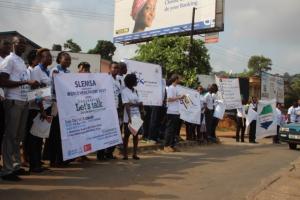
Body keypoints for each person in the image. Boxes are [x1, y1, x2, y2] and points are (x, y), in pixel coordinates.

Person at [0, 37, 39, 181]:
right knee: (10, 136)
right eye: (19, 43)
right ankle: (7, 169)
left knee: (18, 136)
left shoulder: (21, 61)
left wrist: (31, 86)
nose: (22, 45)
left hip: (23, 101)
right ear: (13, 45)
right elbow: (2, 80)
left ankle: (15, 166)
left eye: (24, 43)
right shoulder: (9, 60)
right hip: (13, 101)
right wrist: (26, 82)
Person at [27, 48, 52, 172]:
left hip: (46, 106)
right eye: (47, 56)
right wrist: (41, 109)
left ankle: (38, 163)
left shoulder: (47, 71)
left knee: (39, 137)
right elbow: (36, 92)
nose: (50, 58)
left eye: (50, 56)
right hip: (37, 108)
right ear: (41, 58)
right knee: (34, 138)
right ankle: (33, 165)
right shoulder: (36, 70)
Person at [48, 51, 71, 167]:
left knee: (63, 133)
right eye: (66, 59)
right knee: (55, 132)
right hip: (55, 104)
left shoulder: (68, 72)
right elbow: (57, 88)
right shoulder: (54, 70)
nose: (68, 61)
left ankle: (62, 158)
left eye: (69, 59)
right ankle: (53, 160)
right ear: (59, 59)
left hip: (65, 105)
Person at [97, 62, 121, 160]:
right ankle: (101, 154)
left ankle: (109, 153)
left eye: (117, 68)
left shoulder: (118, 80)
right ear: (109, 68)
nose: (116, 70)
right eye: (114, 68)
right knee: (105, 131)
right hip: (107, 109)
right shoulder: (105, 79)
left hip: (116, 108)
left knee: (115, 132)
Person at [22, 49, 40, 167]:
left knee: (34, 134)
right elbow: (32, 90)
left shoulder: (35, 71)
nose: (40, 60)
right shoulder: (28, 71)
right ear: (33, 60)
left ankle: (32, 157)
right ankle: (25, 158)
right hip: (29, 106)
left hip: (35, 106)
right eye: (39, 58)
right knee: (27, 134)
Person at [122, 73, 143, 160]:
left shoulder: (136, 91)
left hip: (137, 116)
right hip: (128, 117)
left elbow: (140, 103)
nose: (136, 81)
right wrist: (130, 117)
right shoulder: (124, 91)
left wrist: (133, 104)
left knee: (135, 135)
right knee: (127, 135)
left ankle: (134, 154)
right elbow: (126, 105)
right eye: (135, 80)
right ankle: (125, 154)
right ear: (131, 81)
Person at [164, 74, 184, 153]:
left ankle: (172, 145)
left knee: (174, 130)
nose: (180, 80)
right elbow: (168, 99)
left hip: (177, 111)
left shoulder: (177, 88)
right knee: (170, 129)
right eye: (179, 79)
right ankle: (166, 146)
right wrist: (179, 97)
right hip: (171, 111)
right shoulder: (171, 88)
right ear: (176, 79)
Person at [0, 39, 11, 169]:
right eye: (5, 45)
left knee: (3, 130)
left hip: (7, 100)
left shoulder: (8, 60)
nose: (8, 48)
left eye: (9, 45)